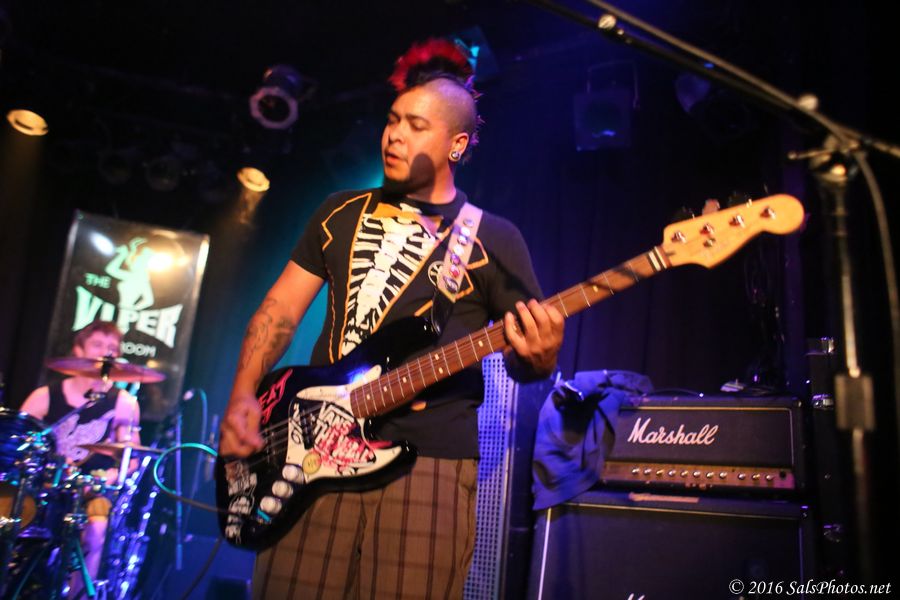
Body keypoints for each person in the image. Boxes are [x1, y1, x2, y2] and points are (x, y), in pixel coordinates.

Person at [219, 38, 564, 599]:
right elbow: (279, 310)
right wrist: (242, 393)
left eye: (416, 125)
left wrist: (542, 356)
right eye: (392, 120)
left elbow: (529, 360)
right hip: (309, 454)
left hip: (428, 464)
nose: (394, 135)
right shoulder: (339, 212)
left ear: (456, 145)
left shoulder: (494, 238)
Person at [20, 320, 141, 594]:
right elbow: (17, 441)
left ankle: (78, 595)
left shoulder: (124, 403)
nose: (105, 352)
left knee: (97, 530)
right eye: (97, 345)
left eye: (112, 348)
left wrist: (110, 476)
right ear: (78, 350)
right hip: (44, 487)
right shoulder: (44, 396)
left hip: (90, 491)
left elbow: (132, 459)